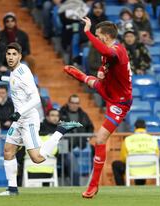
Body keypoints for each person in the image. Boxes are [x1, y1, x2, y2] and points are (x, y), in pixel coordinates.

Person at [0, 42, 82, 196]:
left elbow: (35, 99)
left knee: (38, 158)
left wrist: (19, 112)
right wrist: (4, 78)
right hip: (19, 119)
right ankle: (12, 189)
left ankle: (60, 130)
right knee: (8, 151)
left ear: (20, 56)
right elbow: (16, 81)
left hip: (28, 119)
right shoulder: (14, 72)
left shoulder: (23, 71)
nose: (11, 57)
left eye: (14, 54)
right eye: (9, 54)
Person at [63, 18, 132, 198]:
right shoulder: (108, 53)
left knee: (100, 139)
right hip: (108, 90)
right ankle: (81, 75)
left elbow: (107, 52)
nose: (96, 39)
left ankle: (93, 185)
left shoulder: (119, 50)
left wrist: (86, 32)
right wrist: (102, 70)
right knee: (91, 81)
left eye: (98, 36)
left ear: (108, 36)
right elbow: (106, 63)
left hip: (120, 102)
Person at [112, 119, 159, 186]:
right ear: (145, 128)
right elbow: (157, 155)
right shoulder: (153, 139)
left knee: (116, 164)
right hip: (149, 168)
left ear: (135, 128)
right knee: (143, 163)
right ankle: (140, 186)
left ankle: (121, 187)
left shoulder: (128, 139)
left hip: (132, 168)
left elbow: (123, 158)